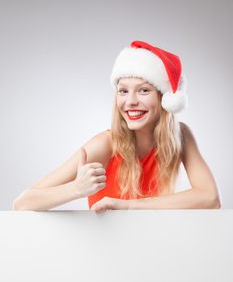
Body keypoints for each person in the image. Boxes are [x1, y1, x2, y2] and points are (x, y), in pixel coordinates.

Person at [13, 40, 221, 213]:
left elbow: (210, 197)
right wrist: (76, 188)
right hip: (105, 254)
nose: (130, 101)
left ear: (164, 98)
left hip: (156, 247)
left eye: (143, 91)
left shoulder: (181, 135)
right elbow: (23, 203)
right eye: (123, 91)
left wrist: (128, 206)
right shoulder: (105, 144)